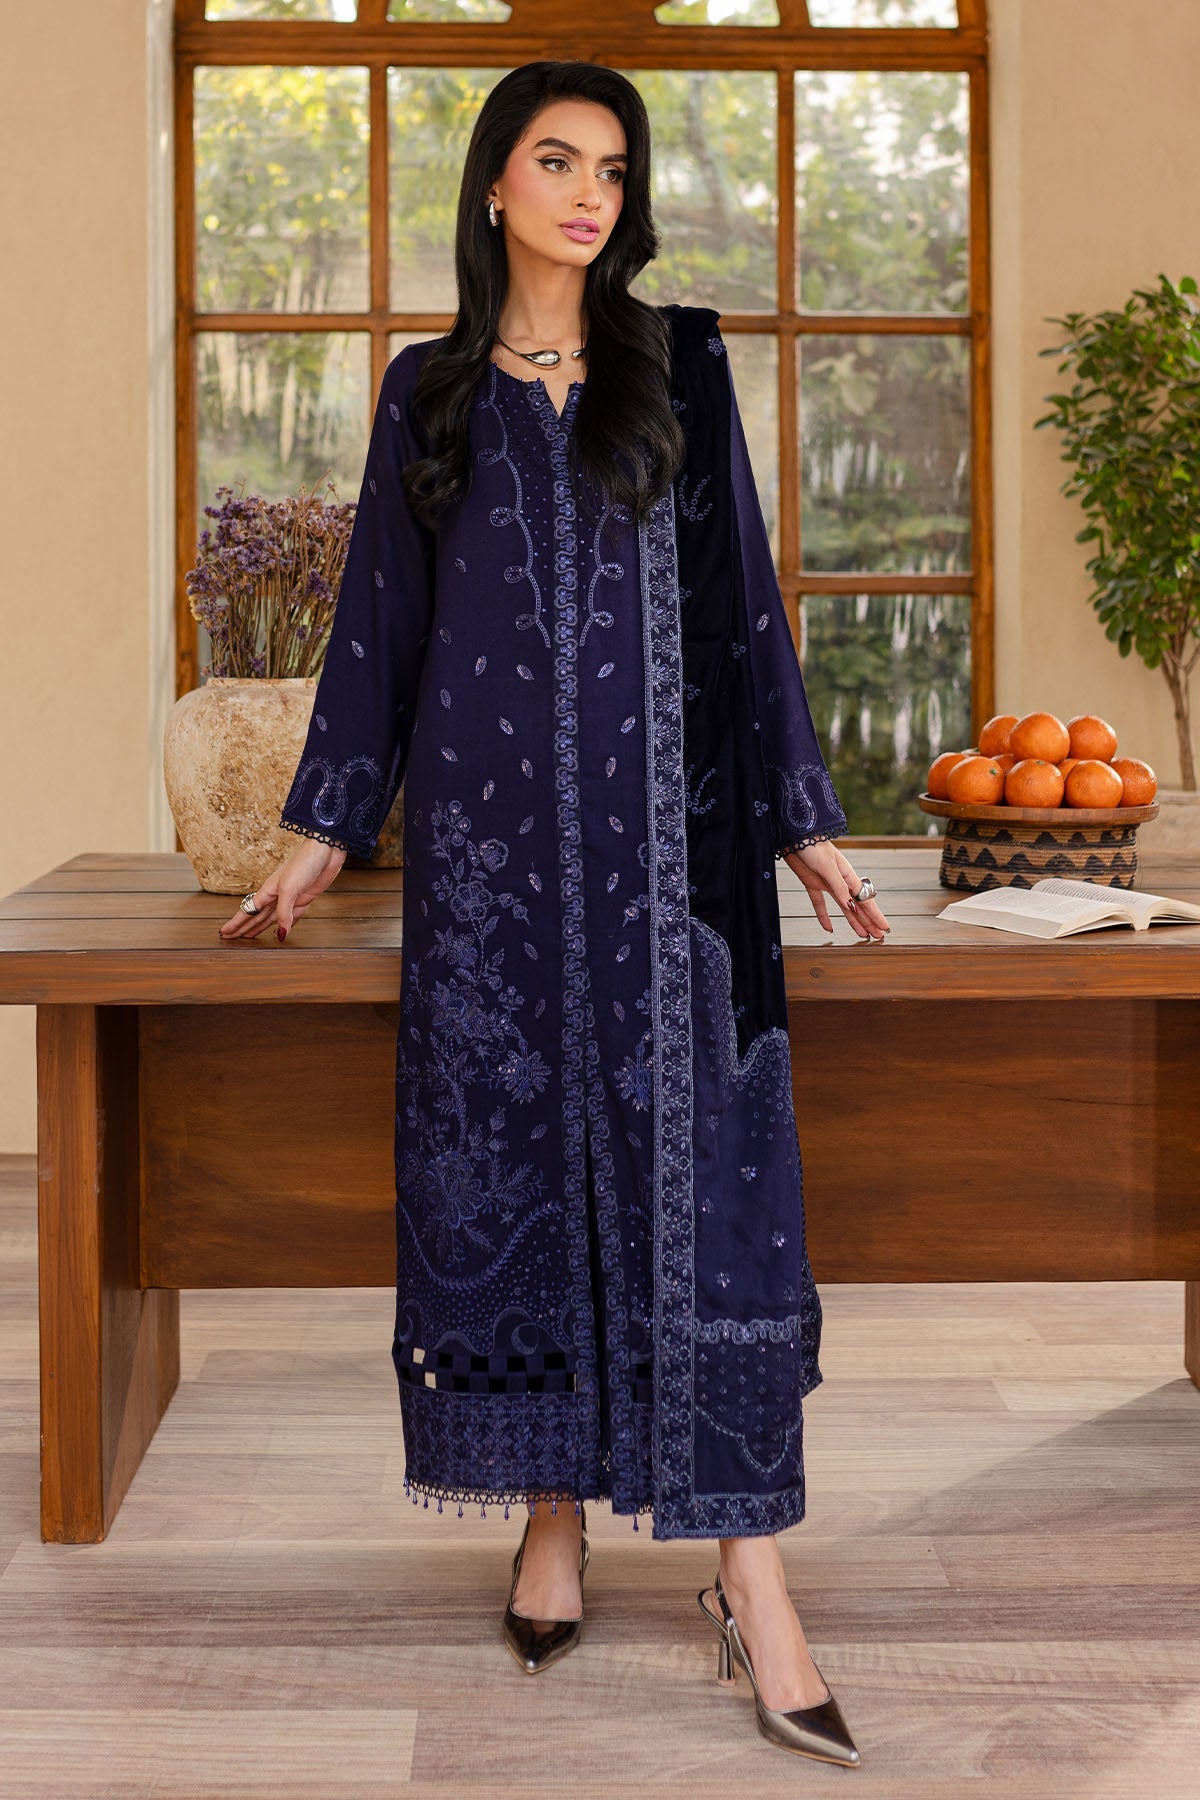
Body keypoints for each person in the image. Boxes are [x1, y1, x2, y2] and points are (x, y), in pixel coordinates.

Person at [220, 59, 890, 1768]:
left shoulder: (679, 368)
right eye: (558, 160)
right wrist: (321, 825)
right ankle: (549, 1512)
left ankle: (753, 1574)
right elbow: (379, 617)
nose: (592, 193)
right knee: (514, 1161)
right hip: (492, 864)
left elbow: (746, 601)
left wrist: (804, 819)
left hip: (680, 864)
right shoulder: (430, 390)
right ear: (496, 187)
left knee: (709, 1197)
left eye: (614, 168)